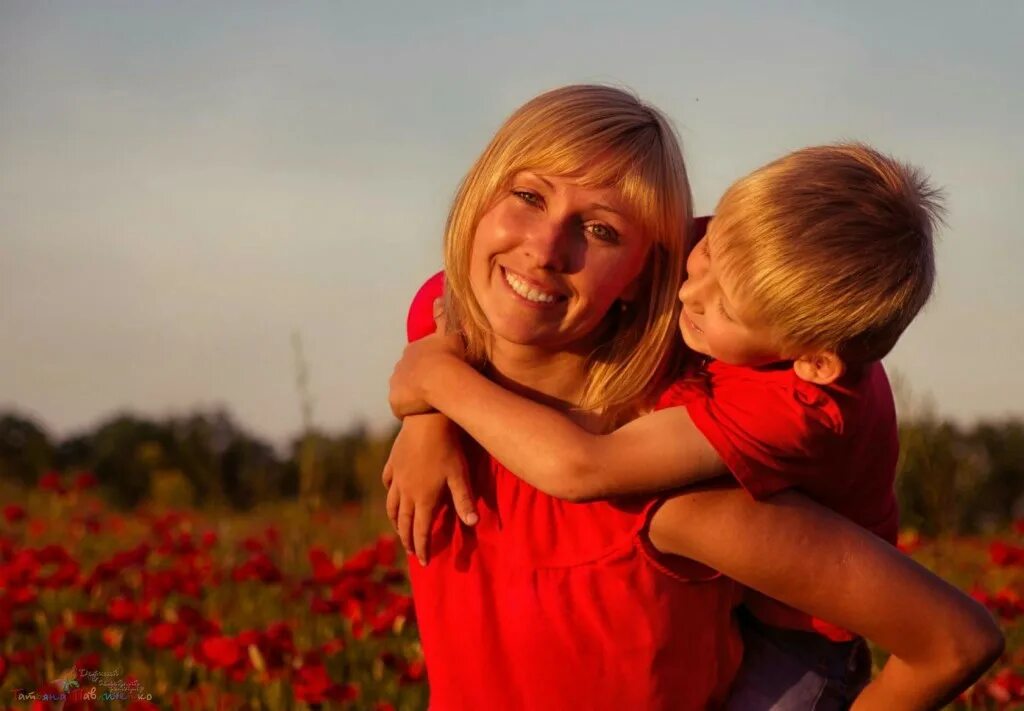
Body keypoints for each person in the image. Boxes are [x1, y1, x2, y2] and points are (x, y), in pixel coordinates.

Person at [383, 84, 1002, 710]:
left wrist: (431, 382)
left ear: (641, 273)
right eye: (526, 195)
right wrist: (427, 415)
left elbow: (954, 642)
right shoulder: (455, 395)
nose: (544, 250)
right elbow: (444, 297)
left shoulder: (692, 476)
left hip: (801, 640)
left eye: (601, 230)